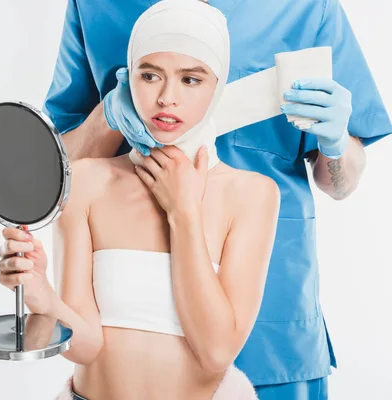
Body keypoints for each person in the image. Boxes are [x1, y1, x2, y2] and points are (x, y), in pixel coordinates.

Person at [39, 0, 392, 398]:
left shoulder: (306, 8)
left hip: (272, 320)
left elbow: (340, 184)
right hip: (126, 332)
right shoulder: (96, 6)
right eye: (152, 76)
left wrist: (336, 141)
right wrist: (106, 117)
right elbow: (57, 172)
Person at [0, 1, 279, 398]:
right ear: (128, 79)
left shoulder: (251, 195)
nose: (167, 98)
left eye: (191, 80)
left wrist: (182, 212)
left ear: (219, 84)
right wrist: (44, 298)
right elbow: (87, 345)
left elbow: (216, 352)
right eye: (150, 75)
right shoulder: (88, 181)